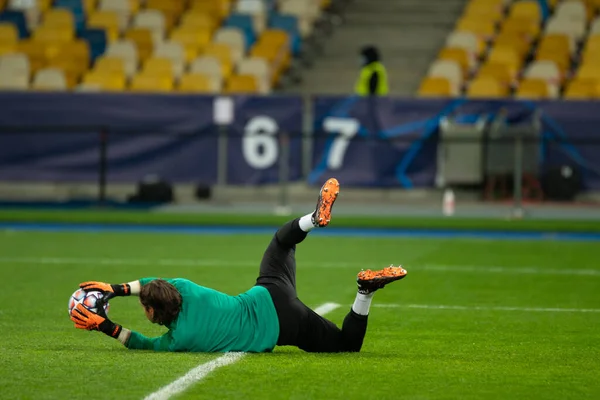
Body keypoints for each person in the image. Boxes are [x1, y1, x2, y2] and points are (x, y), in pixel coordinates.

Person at [70, 178, 407, 353]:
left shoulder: (182, 338)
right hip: (269, 290)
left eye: (145, 308)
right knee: (280, 241)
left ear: (157, 314)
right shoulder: (184, 288)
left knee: (347, 346)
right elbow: (154, 283)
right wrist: (115, 289)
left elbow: (143, 343)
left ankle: (364, 291)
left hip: (282, 324)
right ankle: (312, 220)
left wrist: (106, 326)